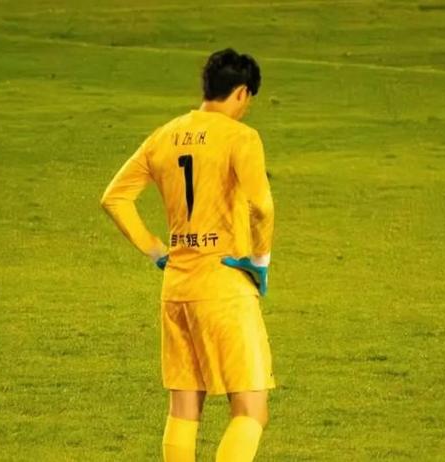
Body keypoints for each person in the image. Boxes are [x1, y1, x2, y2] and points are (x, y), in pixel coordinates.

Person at [100, 48, 275, 462]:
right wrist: (260, 261)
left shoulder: (164, 135)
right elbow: (262, 206)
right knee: (251, 410)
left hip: (177, 288)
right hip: (224, 289)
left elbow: (114, 198)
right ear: (242, 93)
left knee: (184, 409)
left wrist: (156, 250)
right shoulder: (241, 137)